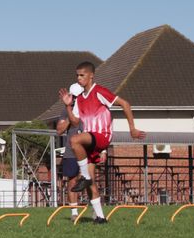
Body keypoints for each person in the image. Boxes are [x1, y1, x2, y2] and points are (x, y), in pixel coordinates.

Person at [60, 61, 145, 224]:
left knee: (74, 140)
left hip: (101, 136)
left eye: (82, 75)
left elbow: (125, 104)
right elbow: (76, 122)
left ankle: (83, 176)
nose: (79, 78)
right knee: (91, 181)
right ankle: (100, 217)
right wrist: (69, 106)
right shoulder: (80, 99)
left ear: (91, 75)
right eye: (77, 75)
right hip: (89, 140)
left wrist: (132, 129)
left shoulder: (99, 91)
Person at [55, 110, 83, 221]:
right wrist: (71, 116)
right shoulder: (67, 111)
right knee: (72, 181)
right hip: (71, 152)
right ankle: (74, 212)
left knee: (90, 180)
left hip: (88, 150)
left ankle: (95, 211)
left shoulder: (90, 105)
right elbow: (59, 130)